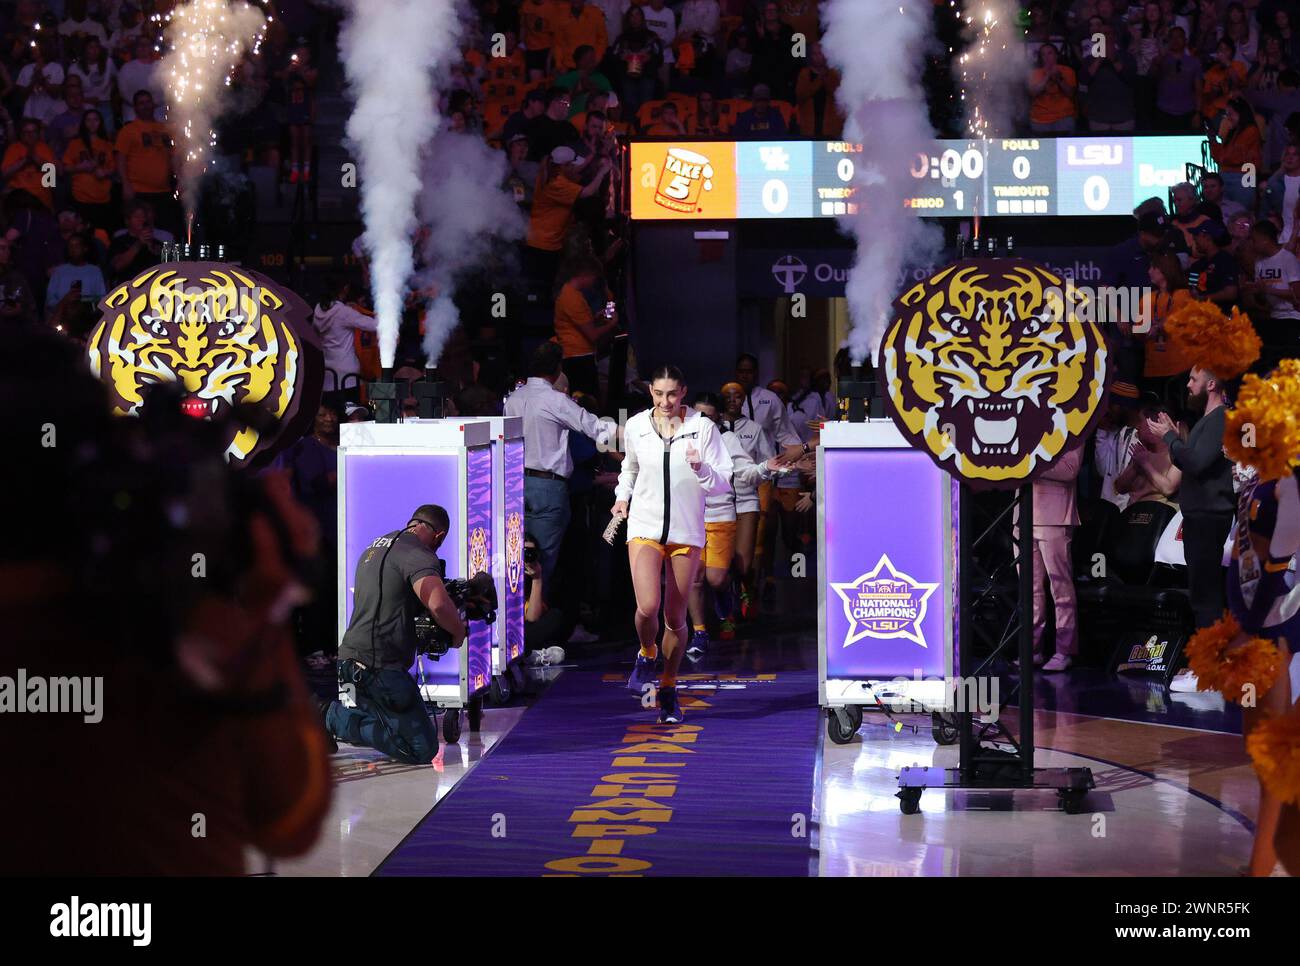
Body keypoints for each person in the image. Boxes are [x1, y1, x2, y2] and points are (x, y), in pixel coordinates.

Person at [613, 365, 732, 724]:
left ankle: (668, 688)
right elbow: (629, 470)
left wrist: (701, 469)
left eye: (673, 394)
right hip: (645, 525)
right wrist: (622, 496)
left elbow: (723, 483)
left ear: (683, 393)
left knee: (675, 617)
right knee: (647, 606)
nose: (665, 401)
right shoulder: (635, 426)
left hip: (685, 530)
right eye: (659, 394)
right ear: (650, 391)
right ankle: (647, 653)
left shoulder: (703, 427)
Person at [323, 505, 466, 764]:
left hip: (351, 662)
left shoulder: (375, 547)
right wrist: (458, 631)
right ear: (439, 536)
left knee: (385, 725)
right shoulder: (418, 553)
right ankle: (330, 717)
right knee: (420, 749)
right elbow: (437, 604)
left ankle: (342, 718)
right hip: (378, 670)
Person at [503, 341, 612, 594]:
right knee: (542, 565)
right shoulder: (556, 400)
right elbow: (596, 428)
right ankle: (535, 626)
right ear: (557, 368)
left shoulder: (513, 400)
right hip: (548, 487)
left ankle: (517, 622)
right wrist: (638, 431)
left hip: (515, 484)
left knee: (515, 557)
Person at [687, 390, 785, 658]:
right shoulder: (680, 437)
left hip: (721, 513)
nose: (702, 421)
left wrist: (766, 468)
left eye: (708, 416)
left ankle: (725, 593)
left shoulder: (726, 439)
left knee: (716, 578)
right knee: (694, 579)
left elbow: (746, 471)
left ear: (717, 418)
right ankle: (700, 633)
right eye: (698, 415)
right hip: (689, 516)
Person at [1148, 367, 1235, 632]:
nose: (1187, 385)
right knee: (1200, 594)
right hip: (1199, 516)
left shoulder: (1220, 418)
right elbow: (1188, 460)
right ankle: (1207, 665)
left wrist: (1170, 438)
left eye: (1193, 379)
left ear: (1210, 385)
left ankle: (1211, 667)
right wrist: (1176, 439)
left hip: (1209, 516)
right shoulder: (1206, 419)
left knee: (1205, 597)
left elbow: (1196, 463)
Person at [1021, 443, 1085, 671]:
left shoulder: (1071, 426)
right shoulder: (1024, 425)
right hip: (1023, 514)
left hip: (1055, 515)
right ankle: (1032, 649)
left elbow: (1070, 469)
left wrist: (1030, 462)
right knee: (1029, 589)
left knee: (1060, 587)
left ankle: (1064, 650)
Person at [553, 257, 617, 396]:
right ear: (584, 275)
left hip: (578, 356)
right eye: (593, 277)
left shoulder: (572, 294)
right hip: (578, 359)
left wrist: (595, 318)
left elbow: (580, 325)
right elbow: (592, 335)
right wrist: (611, 324)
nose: (594, 281)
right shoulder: (572, 298)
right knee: (586, 402)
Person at [115, 90, 176, 233]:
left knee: (164, 233)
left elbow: (174, 157)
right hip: (139, 191)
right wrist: (125, 185)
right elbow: (120, 158)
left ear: (153, 104)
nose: (145, 106)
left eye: (148, 102)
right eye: (141, 103)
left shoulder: (166, 129)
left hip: (164, 191)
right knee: (139, 232)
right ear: (135, 108)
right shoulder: (128, 130)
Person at [313, 275, 378, 390]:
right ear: (345, 288)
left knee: (331, 408)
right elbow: (375, 325)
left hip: (327, 375)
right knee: (350, 408)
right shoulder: (344, 312)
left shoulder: (318, 309)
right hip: (348, 378)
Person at [62, 108, 115, 231]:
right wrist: (79, 168)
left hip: (102, 197)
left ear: (100, 122)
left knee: (102, 233)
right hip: (81, 197)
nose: (92, 123)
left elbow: (113, 168)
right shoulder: (75, 144)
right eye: (88, 120)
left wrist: (105, 172)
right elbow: (65, 167)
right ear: (83, 123)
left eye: (95, 120)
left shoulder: (107, 145)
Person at [522, 532, 567, 666]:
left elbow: (532, 618)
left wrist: (537, 578)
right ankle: (529, 654)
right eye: (524, 552)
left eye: (531, 552)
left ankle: (529, 654)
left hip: (525, 629)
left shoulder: (536, 574)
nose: (527, 557)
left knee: (555, 617)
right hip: (505, 632)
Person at [107, 200, 163, 283]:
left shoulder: (157, 243)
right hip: (129, 288)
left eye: (144, 217)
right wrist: (138, 244)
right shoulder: (119, 242)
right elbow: (117, 266)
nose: (142, 220)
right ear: (127, 221)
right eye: (137, 217)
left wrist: (152, 247)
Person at [1029, 42, 1078, 133]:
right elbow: (1033, 93)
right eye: (1043, 54)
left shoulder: (1068, 71)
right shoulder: (1035, 73)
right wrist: (1047, 77)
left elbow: (1071, 93)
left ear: (1056, 55)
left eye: (1050, 53)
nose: (1046, 57)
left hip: (1064, 118)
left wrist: (1059, 79)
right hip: (1040, 119)